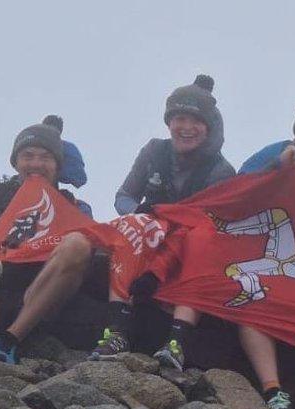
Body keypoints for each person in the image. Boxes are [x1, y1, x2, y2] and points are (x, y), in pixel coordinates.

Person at [154, 87, 295, 409]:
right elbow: (234, 190)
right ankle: (274, 392)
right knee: (253, 297)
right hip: (266, 254)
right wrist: (279, 166)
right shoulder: (276, 152)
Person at [0, 120, 104, 395]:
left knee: (79, 243)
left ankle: (9, 341)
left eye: (45, 157)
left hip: (39, 293)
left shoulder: (75, 208)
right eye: (28, 156)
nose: (36, 164)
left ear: (58, 165)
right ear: (16, 161)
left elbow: (89, 260)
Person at [94, 75, 235, 359]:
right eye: (179, 119)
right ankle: (116, 331)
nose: (186, 128)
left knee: (202, 243)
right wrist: (139, 213)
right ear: (169, 122)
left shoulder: (221, 171)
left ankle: (177, 343)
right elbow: (124, 195)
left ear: (208, 128)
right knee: (131, 227)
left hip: (187, 242)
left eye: (196, 121)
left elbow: (215, 223)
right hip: (147, 233)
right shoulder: (154, 151)